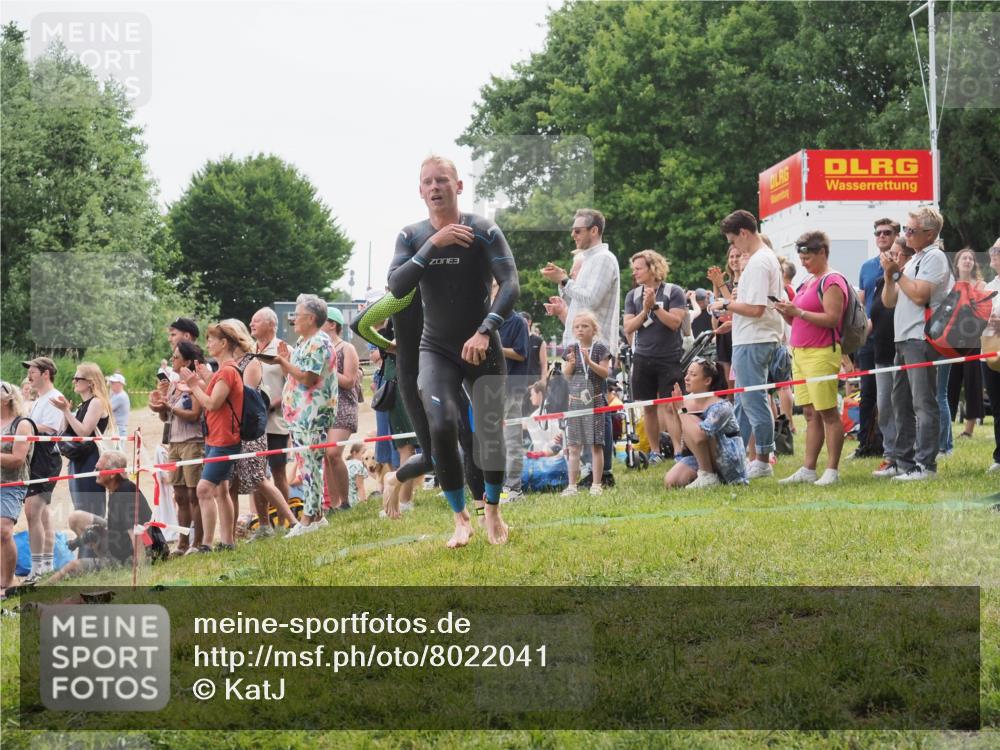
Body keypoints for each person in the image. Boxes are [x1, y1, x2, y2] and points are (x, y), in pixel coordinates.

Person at [386, 155, 518, 547]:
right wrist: (432, 245)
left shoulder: (484, 230)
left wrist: (485, 329)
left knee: (489, 430)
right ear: (420, 191)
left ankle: (492, 509)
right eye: (427, 182)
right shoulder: (411, 237)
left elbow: (510, 284)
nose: (435, 187)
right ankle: (461, 517)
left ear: (458, 187)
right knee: (441, 426)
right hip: (436, 347)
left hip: (481, 340)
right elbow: (396, 285)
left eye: (442, 180)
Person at [542, 208, 620, 488]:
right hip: (577, 345)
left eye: (578, 230)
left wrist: (564, 279)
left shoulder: (603, 259)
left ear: (594, 231)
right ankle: (590, 468)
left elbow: (591, 298)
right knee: (581, 405)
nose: (573, 234)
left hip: (596, 348)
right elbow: (579, 303)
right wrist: (564, 295)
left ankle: (605, 472)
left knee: (598, 407)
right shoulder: (589, 260)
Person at [879, 207, 954, 481]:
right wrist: (890, 275)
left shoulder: (934, 257)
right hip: (903, 338)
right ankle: (903, 461)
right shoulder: (912, 261)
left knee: (923, 403)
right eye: (905, 229)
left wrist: (897, 274)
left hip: (920, 338)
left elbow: (921, 295)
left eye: (911, 230)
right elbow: (889, 301)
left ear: (930, 234)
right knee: (900, 403)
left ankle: (925, 466)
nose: (905, 234)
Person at [710, 210, 786, 478]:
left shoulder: (758, 262)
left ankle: (763, 459)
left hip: (755, 340)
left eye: (733, 240)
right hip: (753, 337)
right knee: (744, 402)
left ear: (744, 233)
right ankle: (738, 455)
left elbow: (755, 308)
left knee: (753, 401)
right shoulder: (764, 259)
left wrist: (725, 303)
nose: (734, 247)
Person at [774, 231, 849, 486]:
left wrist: (799, 312)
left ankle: (832, 469)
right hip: (800, 351)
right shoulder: (808, 281)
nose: (804, 262)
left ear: (822, 253)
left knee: (828, 412)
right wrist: (787, 313)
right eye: (801, 257)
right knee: (809, 413)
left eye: (808, 257)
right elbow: (797, 319)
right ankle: (808, 468)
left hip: (821, 353)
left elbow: (832, 319)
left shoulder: (832, 280)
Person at [226, 319, 299, 541]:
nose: (252, 324)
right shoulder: (243, 358)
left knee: (268, 476)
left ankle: (290, 523)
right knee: (246, 480)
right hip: (245, 428)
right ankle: (255, 528)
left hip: (264, 426)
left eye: (256, 321)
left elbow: (244, 397)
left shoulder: (261, 357)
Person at [178, 320, 248, 550]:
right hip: (216, 437)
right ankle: (227, 541)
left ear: (223, 342)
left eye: (211, 339)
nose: (207, 343)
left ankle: (207, 543)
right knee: (220, 490)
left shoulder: (227, 371)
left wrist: (193, 384)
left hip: (223, 439)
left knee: (203, 489)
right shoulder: (222, 372)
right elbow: (213, 397)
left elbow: (211, 402)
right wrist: (198, 383)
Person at [274, 294, 338, 536]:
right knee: (305, 464)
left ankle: (308, 518)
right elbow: (297, 372)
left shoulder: (319, 342)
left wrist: (283, 361)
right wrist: (287, 359)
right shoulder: (304, 341)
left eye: (297, 315)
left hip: (312, 415)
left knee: (310, 466)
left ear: (311, 318)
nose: (293, 320)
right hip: (299, 415)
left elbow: (308, 377)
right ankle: (317, 515)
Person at [44, 451, 152, 583]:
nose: (95, 471)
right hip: (119, 543)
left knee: (73, 567)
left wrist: (140, 569)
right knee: (76, 518)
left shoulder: (123, 495)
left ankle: (38, 588)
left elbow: (137, 533)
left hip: (127, 556)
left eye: (99, 469)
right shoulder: (119, 488)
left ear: (112, 474)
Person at [623, 249, 687, 465]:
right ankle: (655, 452)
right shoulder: (632, 295)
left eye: (639, 268)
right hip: (642, 357)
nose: (635, 273)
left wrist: (656, 307)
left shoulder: (673, 291)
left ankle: (679, 450)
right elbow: (628, 327)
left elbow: (675, 323)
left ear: (653, 268)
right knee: (648, 407)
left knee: (670, 405)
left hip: (669, 356)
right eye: (634, 270)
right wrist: (644, 310)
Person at [149, 340, 206, 555]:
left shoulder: (196, 383)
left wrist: (170, 406)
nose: (172, 360)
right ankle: (182, 543)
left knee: (194, 495)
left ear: (188, 361)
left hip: (193, 442)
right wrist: (160, 405)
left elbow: (194, 415)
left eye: (176, 357)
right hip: (174, 443)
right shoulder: (173, 383)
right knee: (179, 496)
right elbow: (167, 416)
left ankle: (197, 541)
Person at [853, 219, 899, 459]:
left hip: (894, 335)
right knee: (868, 393)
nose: (882, 236)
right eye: (878, 233)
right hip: (869, 337)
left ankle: (893, 447)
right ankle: (866, 444)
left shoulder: (902, 262)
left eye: (887, 232)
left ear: (896, 235)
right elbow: (862, 301)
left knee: (896, 395)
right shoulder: (867, 267)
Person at [664, 359, 749, 489]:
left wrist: (681, 411)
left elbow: (700, 436)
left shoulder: (721, 406)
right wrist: (675, 411)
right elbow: (682, 432)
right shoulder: (686, 402)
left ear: (707, 381)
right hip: (698, 455)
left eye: (693, 375)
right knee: (671, 481)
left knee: (698, 426)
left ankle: (708, 475)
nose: (686, 378)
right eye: (687, 374)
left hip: (727, 459)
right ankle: (706, 474)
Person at [20, 357, 64, 582]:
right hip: (37, 457)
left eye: (33, 370)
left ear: (46, 373)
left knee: (32, 512)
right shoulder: (39, 399)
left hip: (46, 457)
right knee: (42, 513)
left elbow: (51, 430)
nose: (29, 374)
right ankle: (46, 564)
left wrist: (27, 427)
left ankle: (36, 569)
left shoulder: (54, 397)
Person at [52, 362, 114, 520]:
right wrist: (65, 411)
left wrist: (66, 411)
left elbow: (84, 432)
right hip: (79, 459)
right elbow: (62, 432)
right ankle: (87, 543)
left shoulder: (97, 402)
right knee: (80, 508)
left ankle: (97, 543)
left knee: (91, 509)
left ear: (90, 382)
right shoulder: (83, 405)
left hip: (90, 460)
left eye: (77, 378)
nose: (73, 381)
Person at [868, 238, 909, 476]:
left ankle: (904, 456)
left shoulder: (908, 281)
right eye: (888, 254)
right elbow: (876, 314)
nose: (888, 257)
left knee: (903, 407)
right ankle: (890, 455)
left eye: (894, 254)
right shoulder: (878, 282)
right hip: (881, 351)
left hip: (903, 350)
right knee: (884, 407)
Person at [560, 311, 611, 496]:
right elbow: (565, 377)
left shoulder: (600, 348)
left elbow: (605, 373)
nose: (580, 330)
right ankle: (572, 485)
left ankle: (596, 484)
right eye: (577, 327)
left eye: (585, 326)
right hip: (575, 402)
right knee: (574, 446)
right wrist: (571, 364)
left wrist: (589, 361)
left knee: (596, 444)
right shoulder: (571, 349)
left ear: (593, 329)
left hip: (595, 401)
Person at [322, 306, 362, 512]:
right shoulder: (319, 350)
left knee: (333, 453)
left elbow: (349, 381)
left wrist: (326, 369)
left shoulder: (347, 348)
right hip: (324, 409)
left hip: (344, 407)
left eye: (321, 321)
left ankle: (345, 501)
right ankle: (335, 503)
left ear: (332, 324)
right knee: (326, 456)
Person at [251, 307, 291, 503]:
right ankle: (265, 524)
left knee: (278, 472)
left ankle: (286, 522)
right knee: (256, 475)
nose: (252, 324)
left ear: (271, 325)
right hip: (253, 424)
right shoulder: (249, 351)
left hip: (276, 424)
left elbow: (294, 385)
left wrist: (273, 404)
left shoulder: (284, 349)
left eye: (256, 321)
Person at [947, 248, 988, 441]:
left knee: (973, 383)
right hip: (952, 342)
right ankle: (946, 427)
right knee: (949, 383)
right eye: (964, 257)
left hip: (973, 341)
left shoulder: (981, 285)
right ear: (957, 263)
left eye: (971, 258)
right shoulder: (950, 285)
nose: (968, 260)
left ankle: (969, 429)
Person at [497, 284, 530, 501]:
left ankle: (514, 488)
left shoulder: (517, 321)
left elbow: (521, 353)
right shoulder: (486, 320)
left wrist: (494, 347)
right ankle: (494, 486)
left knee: (511, 440)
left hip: (511, 389)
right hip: (489, 388)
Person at [1, 381, 34, 597]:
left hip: (12, 484)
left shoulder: (22, 424)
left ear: (6, 399)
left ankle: (8, 581)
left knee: (3, 530)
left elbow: (18, 459)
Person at [707, 245, 743, 386]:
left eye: (737, 256)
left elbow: (734, 308)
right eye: (731, 257)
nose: (734, 260)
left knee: (741, 383)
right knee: (729, 381)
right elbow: (715, 317)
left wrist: (720, 285)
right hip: (725, 337)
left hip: (740, 335)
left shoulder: (746, 282)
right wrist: (716, 286)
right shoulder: (726, 284)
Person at [981, 239, 1000, 474]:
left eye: (998, 251)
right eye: (993, 250)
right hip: (989, 352)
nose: (994, 254)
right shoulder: (988, 287)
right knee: (997, 406)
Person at [345, 442, 368, 507]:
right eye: (363, 452)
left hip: (343, 500)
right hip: (353, 501)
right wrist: (364, 503)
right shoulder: (359, 464)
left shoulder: (345, 463)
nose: (365, 455)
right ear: (354, 453)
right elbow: (360, 486)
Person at [107, 373, 130, 438]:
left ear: (120, 384)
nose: (111, 384)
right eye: (111, 382)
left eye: (113, 382)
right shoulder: (116, 394)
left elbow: (106, 408)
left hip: (119, 429)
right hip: (117, 428)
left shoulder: (120, 396)